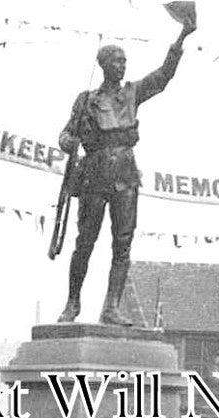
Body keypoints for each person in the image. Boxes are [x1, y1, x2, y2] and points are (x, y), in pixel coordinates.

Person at [56, 14, 197, 324]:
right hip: (94, 173)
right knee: (85, 242)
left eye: (124, 61)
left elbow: (163, 76)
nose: (122, 66)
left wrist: (182, 37)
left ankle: (112, 308)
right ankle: (72, 303)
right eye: (117, 61)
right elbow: (65, 134)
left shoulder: (132, 93)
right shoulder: (86, 100)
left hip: (125, 174)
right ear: (105, 65)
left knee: (122, 243)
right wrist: (69, 141)